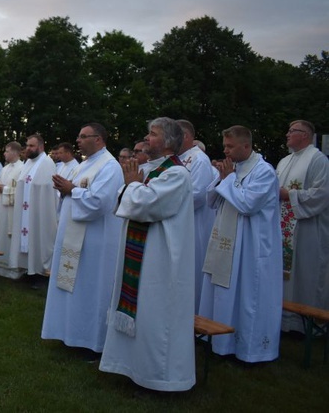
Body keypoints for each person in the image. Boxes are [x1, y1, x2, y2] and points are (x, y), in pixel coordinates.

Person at [99, 117, 196, 392]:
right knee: (141, 312)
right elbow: (131, 199)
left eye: (152, 134)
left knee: (156, 315)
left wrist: (131, 184)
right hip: (144, 253)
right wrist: (132, 185)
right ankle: (132, 367)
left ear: (167, 142)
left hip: (161, 258)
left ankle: (159, 376)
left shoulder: (176, 174)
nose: (146, 139)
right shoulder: (154, 170)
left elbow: (145, 205)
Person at [199, 125, 282, 363]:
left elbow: (247, 204)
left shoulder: (264, 171)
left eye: (230, 146)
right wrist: (223, 180)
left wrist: (228, 180)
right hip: (227, 240)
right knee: (224, 292)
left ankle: (248, 349)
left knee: (246, 295)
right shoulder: (232, 169)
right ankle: (218, 339)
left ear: (246, 146)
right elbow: (212, 201)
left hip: (250, 245)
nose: (225, 150)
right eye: (225, 145)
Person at [42, 123, 124, 354]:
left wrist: (71, 190)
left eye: (83, 136)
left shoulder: (110, 166)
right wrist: (66, 190)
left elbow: (100, 203)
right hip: (74, 236)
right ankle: (70, 333)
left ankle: (90, 342)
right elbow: (76, 193)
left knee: (90, 288)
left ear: (98, 139)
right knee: (73, 287)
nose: (77, 140)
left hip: (94, 240)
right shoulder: (87, 164)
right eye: (78, 136)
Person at [276, 120, 329, 332]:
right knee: (285, 273)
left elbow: (322, 193)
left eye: (292, 131)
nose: (287, 134)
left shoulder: (318, 160)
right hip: (284, 226)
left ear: (305, 135)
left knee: (305, 272)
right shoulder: (285, 160)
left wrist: (290, 195)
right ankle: (284, 320)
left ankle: (305, 324)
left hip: (307, 229)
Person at [177, 119, 218, 307]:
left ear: (185, 136)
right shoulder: (177, 158)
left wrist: (164, 203)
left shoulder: (199, 159)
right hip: (177, 223)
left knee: (189, 272)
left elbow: (198, 194)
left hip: (192, 225)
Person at [8, 134, 57, 286]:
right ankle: (28, 270)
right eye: (27, 145)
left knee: (39, 239)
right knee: (26, 239)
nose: (28, 148)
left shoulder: (47, 163)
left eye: (31, 146)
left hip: (39, 213)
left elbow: (46, 192)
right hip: (25, 211)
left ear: (41, 147)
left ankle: (40, 273)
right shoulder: (28, 162)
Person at [0, 141, 24, 278]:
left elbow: (22, 192)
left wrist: (4, 188)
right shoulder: (4, 169)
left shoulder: (23, 168)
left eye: (7, 151)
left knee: (12, 235)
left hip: (14, 211)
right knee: (0, 233)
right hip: (2, 209)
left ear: (15, 152)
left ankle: (12, 268)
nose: (4, 153)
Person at [54, 142, 79, 213]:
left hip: (65, 200)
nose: (58, 155)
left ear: (68, 153)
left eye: (60, 153)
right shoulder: (60, 165)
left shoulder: (76, 167)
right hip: (55, 199)